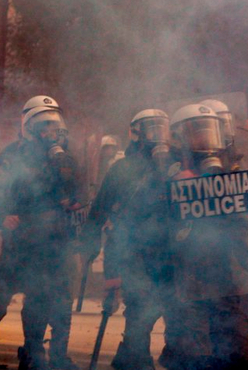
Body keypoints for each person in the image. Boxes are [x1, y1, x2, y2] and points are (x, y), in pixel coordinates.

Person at [0, 96, 80, 370]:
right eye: (45, 126)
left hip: (50, 240)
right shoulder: (13, 154)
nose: (51, 132)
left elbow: (76, 193)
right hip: (20, 240)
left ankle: (32, 352)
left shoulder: (62, 157)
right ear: (30, 127)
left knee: (39, 298)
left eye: (54, 126)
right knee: (1, 296)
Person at [160, 103, 248, 370]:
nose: (205, 141)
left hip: (225, 277)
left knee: (238, 350)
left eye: (209, 132)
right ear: (180, 138)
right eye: (197, 133)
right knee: (191, 352)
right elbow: (156, 230)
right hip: (188, 280)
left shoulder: (230, 174)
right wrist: (176, 190)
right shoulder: (165, 176)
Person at [82, 109, 172, 370]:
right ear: (136, 133)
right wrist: (89, 244)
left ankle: (132, 356)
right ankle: (137, 360)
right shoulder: (122, 169)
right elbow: (100, 208)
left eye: (161, 128)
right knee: (141, 311)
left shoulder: (176, 164)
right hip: (135, 253)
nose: (158, 135)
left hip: (170, 252)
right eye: (151, 128)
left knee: (175, 312)